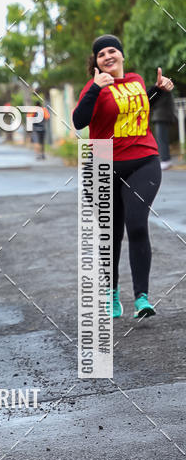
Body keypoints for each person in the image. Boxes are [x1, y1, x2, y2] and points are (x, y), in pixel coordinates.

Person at [72, 34, 174, 319]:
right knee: (111, 234)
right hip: (103, 164)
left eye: (112, 50)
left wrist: (159, 90)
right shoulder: (93, 88)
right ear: (97, 62)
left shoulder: (136, 80)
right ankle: (111, 293)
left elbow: (137, 109)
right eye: (101, 53)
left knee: (137, 224)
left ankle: (142, 297)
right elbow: (79, 121)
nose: (108, 56)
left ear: (121, 56)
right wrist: (95, 88)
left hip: (144, 159)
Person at [151, 89, 176, 170]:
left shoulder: (162, 90)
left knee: (161, 139)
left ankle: (165, 160)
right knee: (162, 139)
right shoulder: (166, 90)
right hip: (163, 116)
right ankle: (165, 159)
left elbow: (155, 102)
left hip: (161, 116)